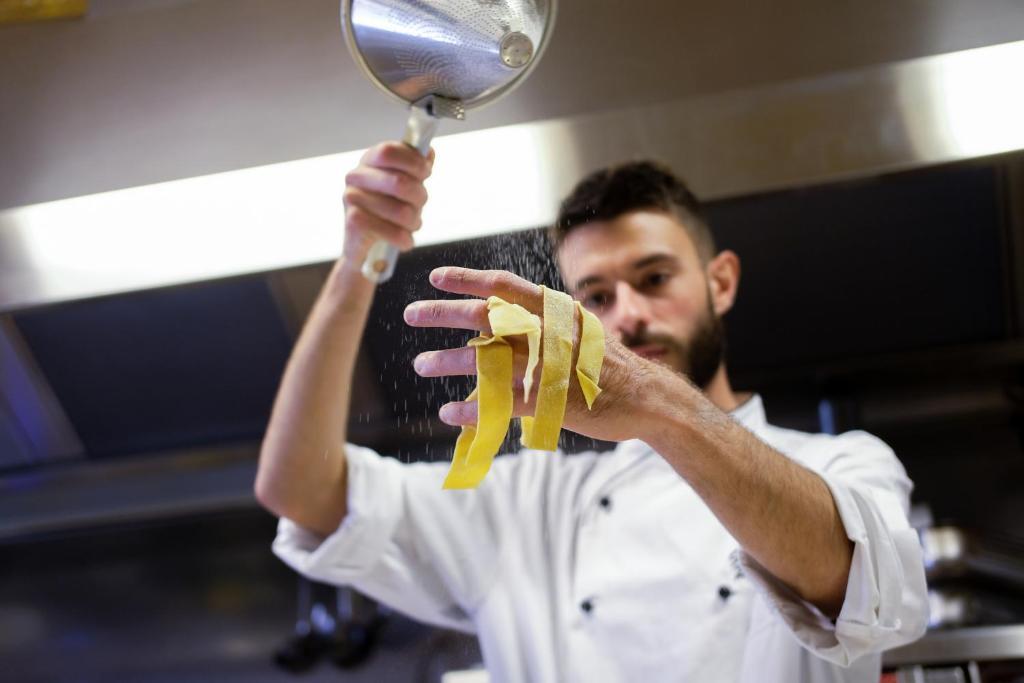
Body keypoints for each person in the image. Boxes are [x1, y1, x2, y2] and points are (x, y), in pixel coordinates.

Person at [255, 142, 928, 682]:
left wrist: (655, 403)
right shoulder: (526, 505)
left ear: (720, 281)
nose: (627, 316)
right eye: (596, 297)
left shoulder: (841, 463)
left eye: (655, 278)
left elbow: (856, 582)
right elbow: (300, 490)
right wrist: (357, 262)